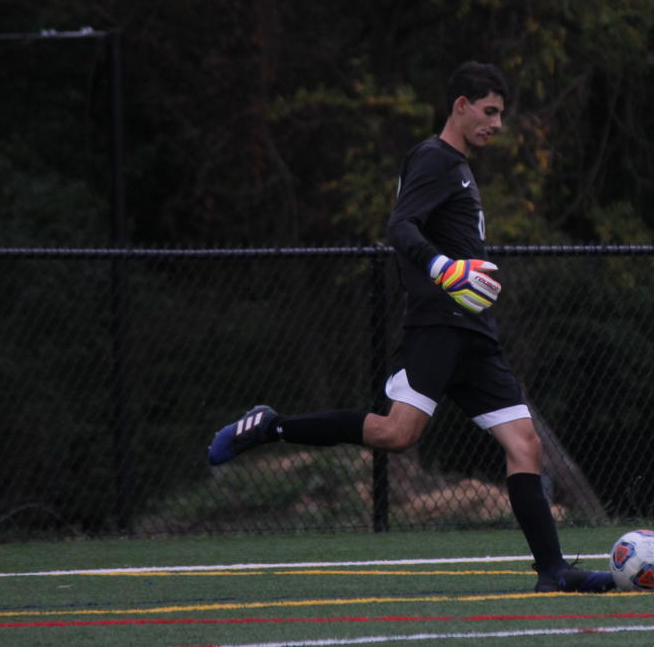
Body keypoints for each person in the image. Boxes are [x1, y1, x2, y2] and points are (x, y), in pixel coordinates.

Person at [207, 61, 613, 593]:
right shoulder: (434, 158)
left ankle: (552, 571)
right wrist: (442, 267)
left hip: (474, 330)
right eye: (488, 111)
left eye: (500, 114)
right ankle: (271, 426)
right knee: (396, 434)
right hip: (437, 324)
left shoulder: (460, 166)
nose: (496, 123)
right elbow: (400, 225)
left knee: (525, 443)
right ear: (460, 105)